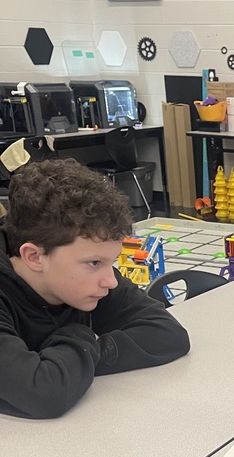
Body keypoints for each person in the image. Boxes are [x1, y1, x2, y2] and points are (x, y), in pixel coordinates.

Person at [0, 158, 190, 419]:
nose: (110, 281)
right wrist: (83, 336)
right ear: (34, 257)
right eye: (94, 263)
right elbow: (45, 393)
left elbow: (169, 335)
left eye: (110, 262)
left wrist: (77, 356)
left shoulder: (90, 280)